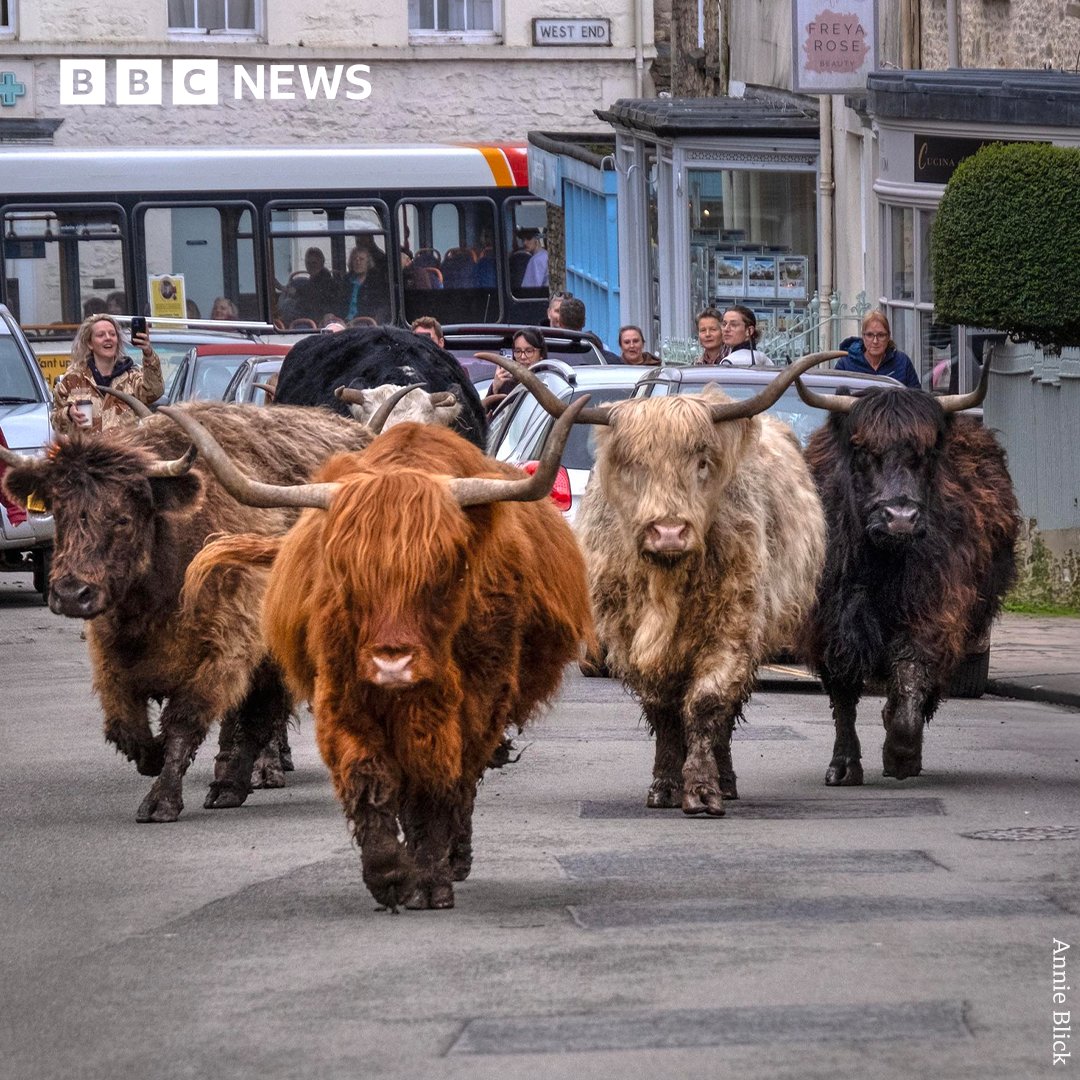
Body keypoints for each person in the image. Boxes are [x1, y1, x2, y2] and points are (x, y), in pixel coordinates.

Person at [51, 314, 164, 435]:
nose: (108, 338)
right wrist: (68, 414)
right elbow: (56, 424)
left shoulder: (132, 377)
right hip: (88, 452)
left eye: (112, 334)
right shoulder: (73, 379)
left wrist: (148, 353)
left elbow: (154, 392)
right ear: (90, 343)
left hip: (125, 452)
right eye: (100, 335)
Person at [836, 311, 920, 387]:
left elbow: (917, 398)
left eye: (881, 335)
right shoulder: (845, 365)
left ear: (888, 336)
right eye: (869, 335)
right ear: (863, 337)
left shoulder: (902, 362)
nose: (875, 341)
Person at [487, 327, 547, 404]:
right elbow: (485, 413)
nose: (522, 357)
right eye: (518, 351)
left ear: (541, 354)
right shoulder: (507, 384)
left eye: (529, 351)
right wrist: (495, 388)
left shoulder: (550, 381)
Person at [340, 242, 390, 324]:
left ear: (368, 263)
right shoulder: (346, 281)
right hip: (344, 323)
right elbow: (339, 304)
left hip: (366, 324)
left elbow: (382, 306)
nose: (358, 262)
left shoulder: (376, 282)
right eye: (355, 259)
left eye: (361, 259)